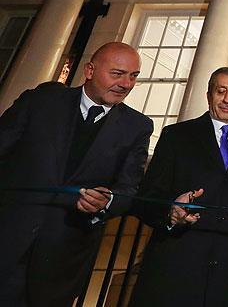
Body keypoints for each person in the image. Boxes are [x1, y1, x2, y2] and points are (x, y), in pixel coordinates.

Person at [0, 42, 153, 306]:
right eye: (117, 74)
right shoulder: (40, 101)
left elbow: (129, 189)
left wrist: (106, 201)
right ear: (89, 70)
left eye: (133, 76)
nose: (126, 84)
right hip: (7, 239)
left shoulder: (138, 126)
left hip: (60, 264)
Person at [129, 67, 228, 306]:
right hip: (175, 266)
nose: (227, 99)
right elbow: (146, 198)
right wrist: (171, 211)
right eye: (221, 91)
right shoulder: (176, 136)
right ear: (208, 94)